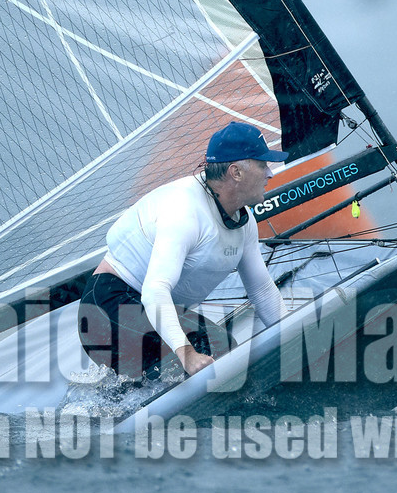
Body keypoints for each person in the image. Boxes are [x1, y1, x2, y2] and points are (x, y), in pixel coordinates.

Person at [77, 122, 286, 379]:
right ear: (236, 172)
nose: (270, 173)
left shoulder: (244, 222)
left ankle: (129, 394)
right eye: (263, 165)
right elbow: (155, 291)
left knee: (221, 350)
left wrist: (294, 337)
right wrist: (187, 353)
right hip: (106, 309)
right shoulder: (184, 211)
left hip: (147, 308)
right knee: (217, 350)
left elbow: (262, 290)